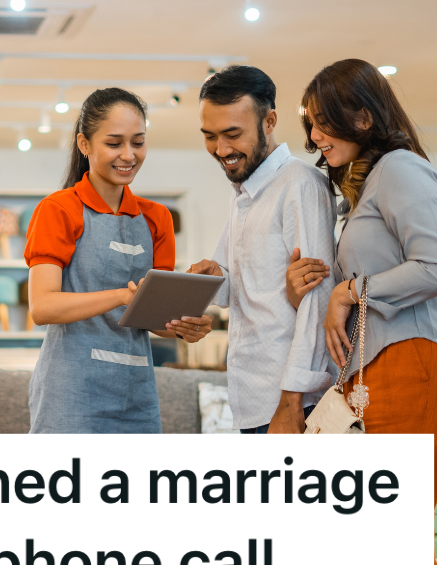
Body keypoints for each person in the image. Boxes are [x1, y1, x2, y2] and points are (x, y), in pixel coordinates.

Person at [287, 58, 437, 565]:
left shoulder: (400, 170)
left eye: (323, 121)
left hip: (418, 366)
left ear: (364, 117)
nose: (314, 136)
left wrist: (349, 291)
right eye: (310, 124)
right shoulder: (366, 185)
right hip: (381, 372)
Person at [25, 87, 213, 434]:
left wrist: (185, 325)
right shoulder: (59, 209)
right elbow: (42, 307)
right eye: (114, 143)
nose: (129, 155)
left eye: (138, 142)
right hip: (71, 393)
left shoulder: (157, 218)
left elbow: (155, 321)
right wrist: (121, 296)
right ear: (84, 144)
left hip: (136, 395)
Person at [186, 65, 337, 434]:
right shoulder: (244, 192)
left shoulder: (300, 185)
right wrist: (212, 276)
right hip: (252, 400)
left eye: (233, 134)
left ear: (269, 121)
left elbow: (317, 303)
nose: (221, 149)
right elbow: (236, 286)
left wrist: (292, 401)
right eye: (210, 136)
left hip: (292, 403)